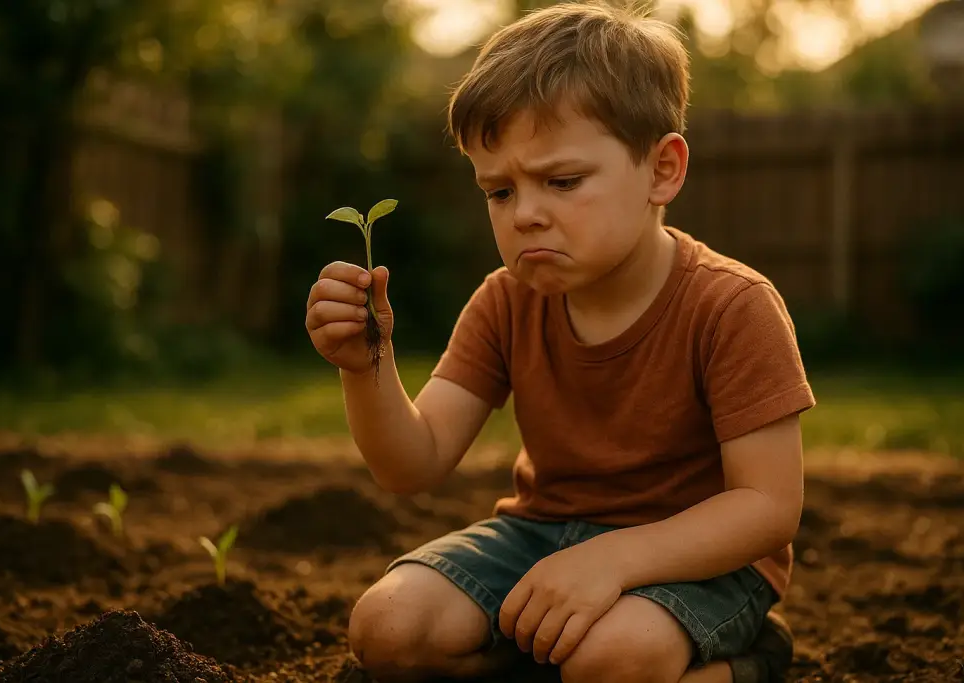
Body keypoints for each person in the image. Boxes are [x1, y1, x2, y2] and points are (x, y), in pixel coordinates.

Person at [305, 2, 814, 682]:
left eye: (562, 181)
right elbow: (412, 465)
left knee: (613, 658)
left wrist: (613, 560)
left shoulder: (731, 306)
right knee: (389, 627)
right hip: (543, 534)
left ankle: (752, 664)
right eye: (499, 191)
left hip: (700, 558)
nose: (526, 213)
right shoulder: (507, 300)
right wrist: (364, 366)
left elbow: (769, 508)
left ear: (662, 169)